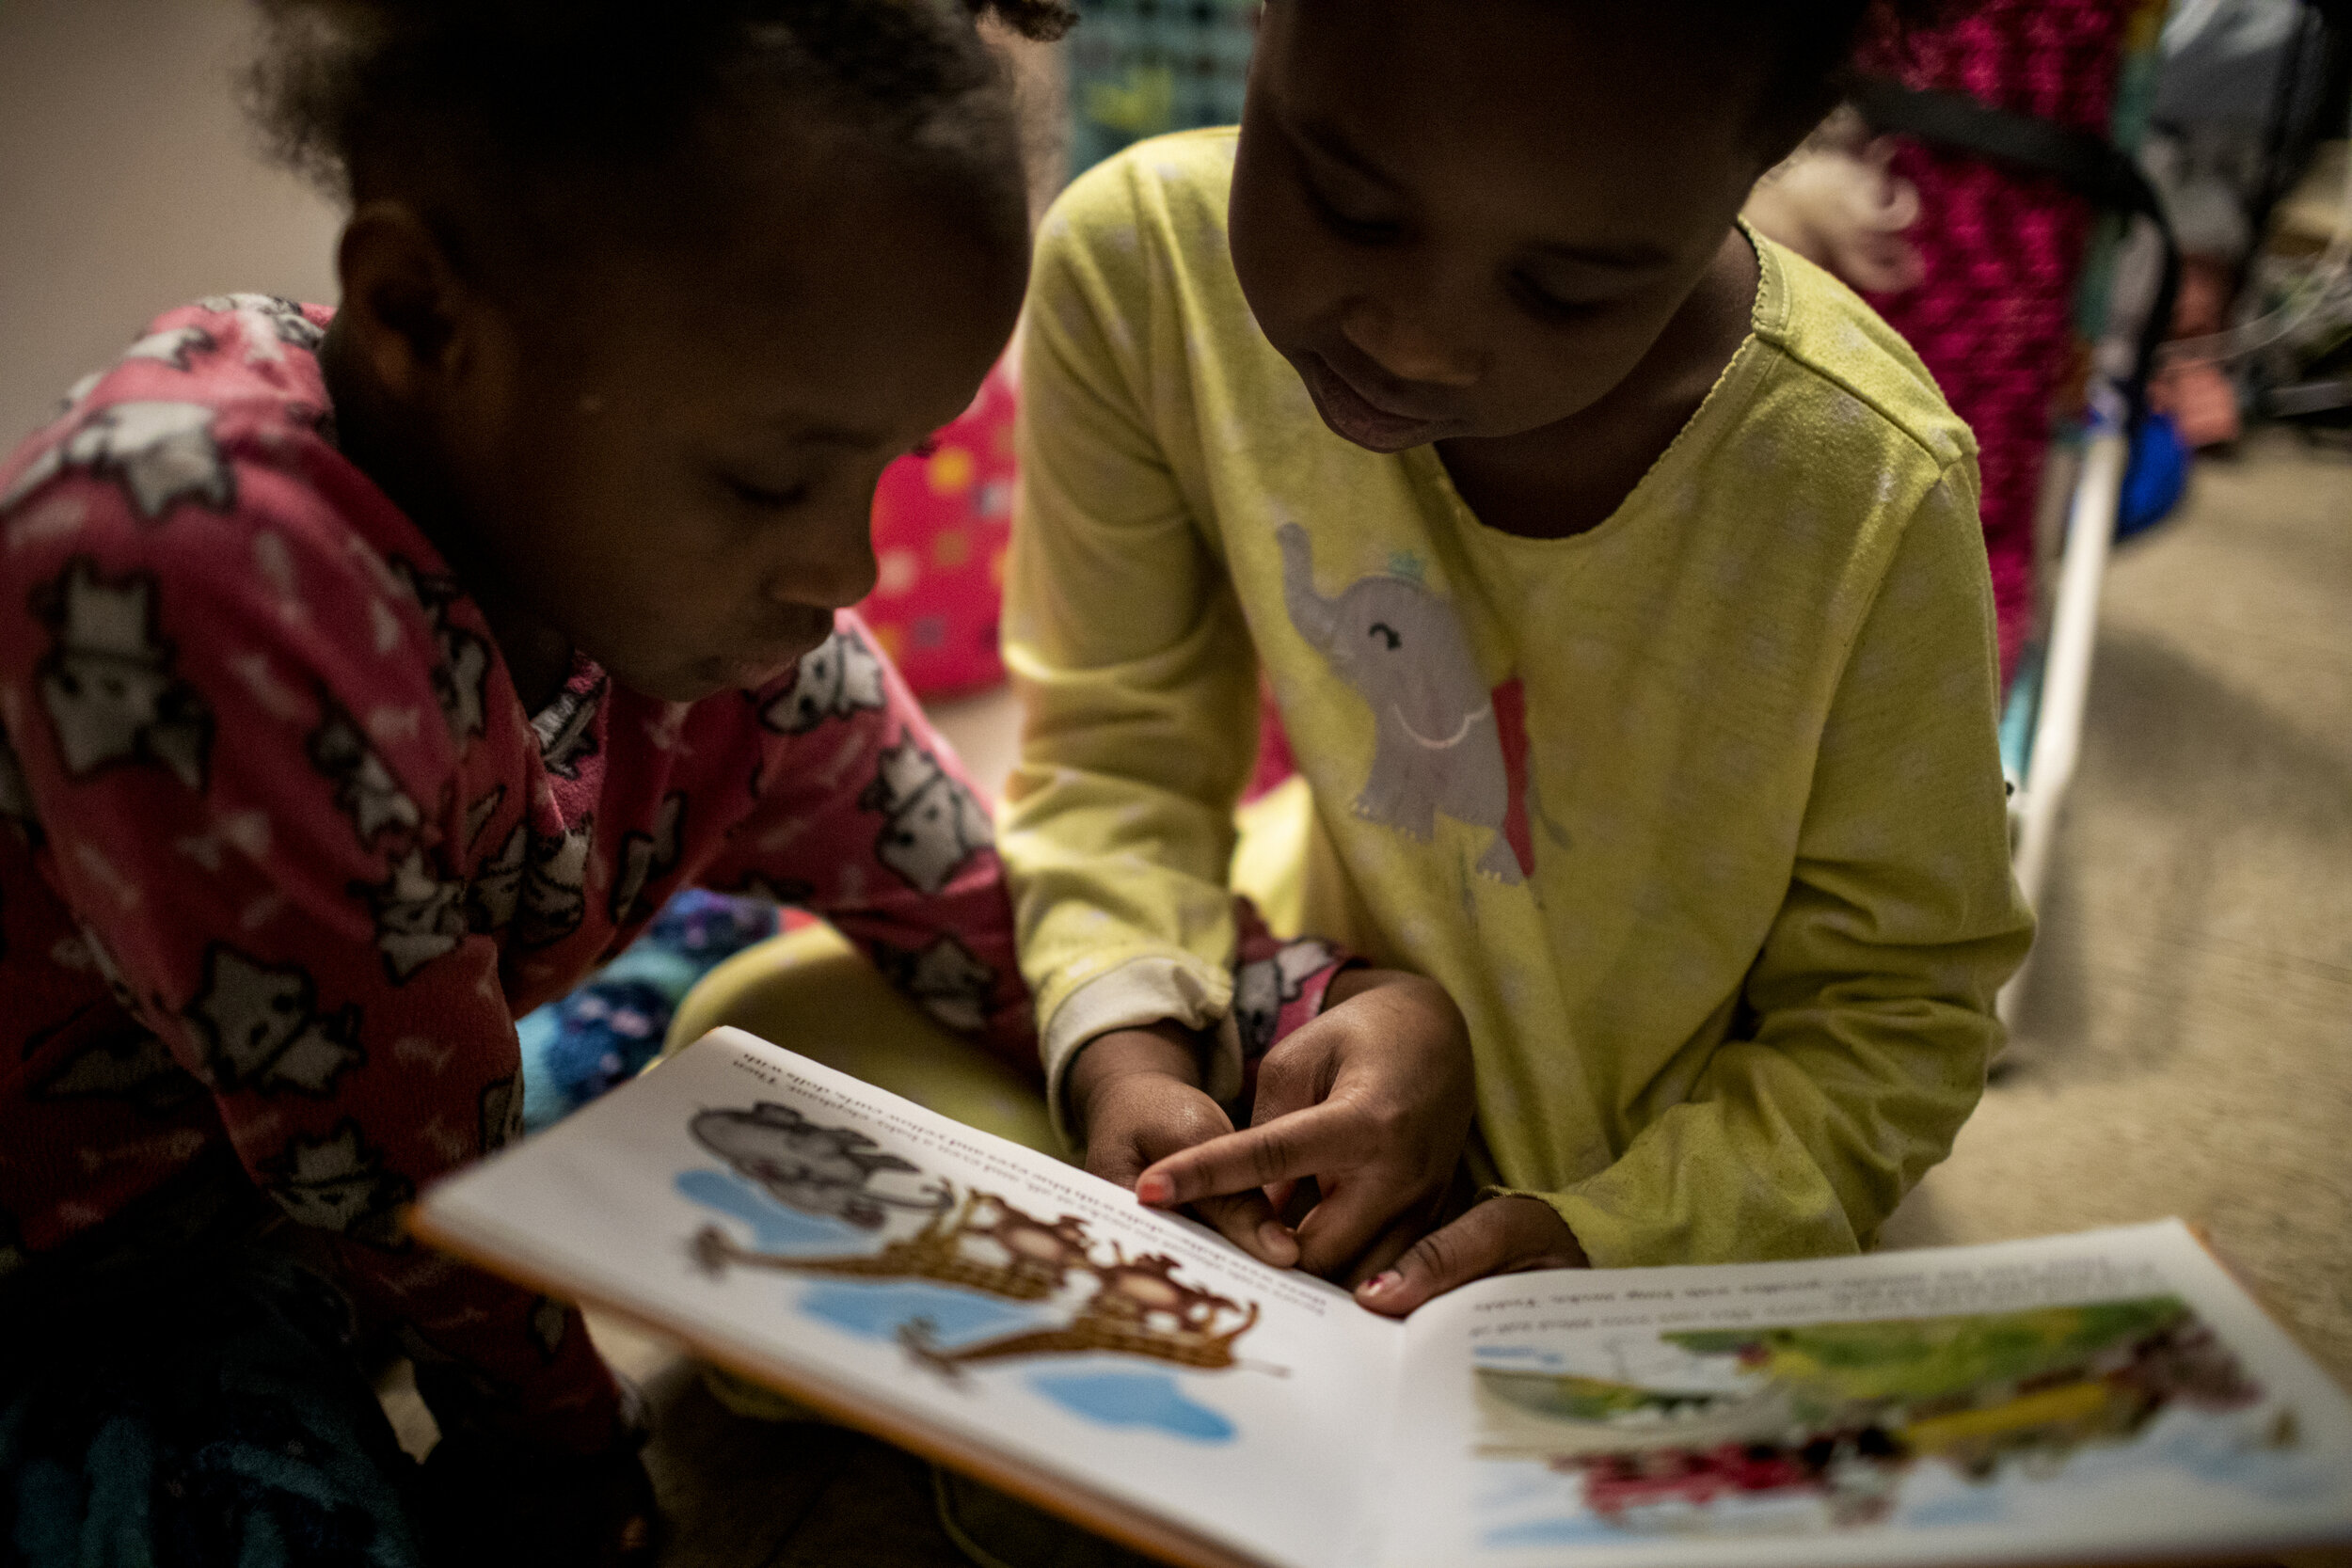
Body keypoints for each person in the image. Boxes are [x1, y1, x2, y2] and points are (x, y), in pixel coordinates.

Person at [1000, 0, 2039, 1322]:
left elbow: (1894, 1022)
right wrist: (1132, 1062)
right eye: (1352, 206)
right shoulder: (1142, 271)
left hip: (1644, 1187)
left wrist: (1607, 1236)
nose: (1412, 341)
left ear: (1769, 153)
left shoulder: (1869, 491)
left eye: (1565, 289)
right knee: (777, 1050)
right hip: (1299, 1002)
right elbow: (1109, 759)